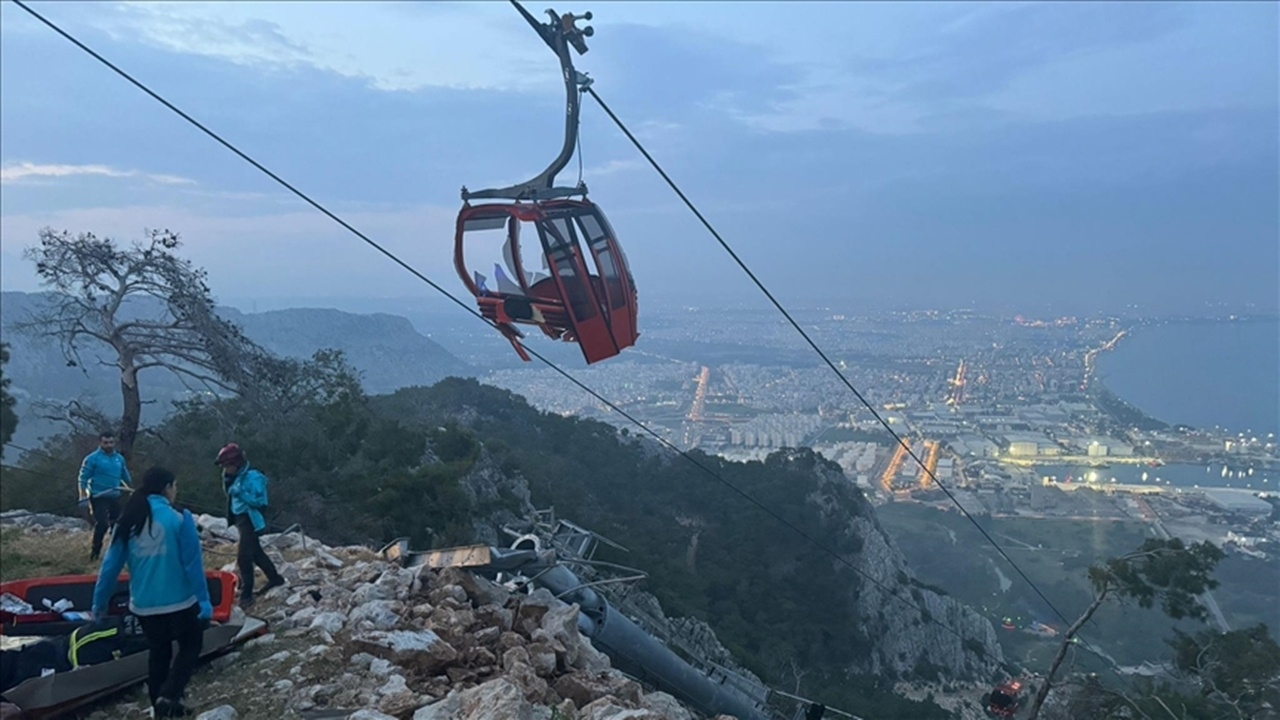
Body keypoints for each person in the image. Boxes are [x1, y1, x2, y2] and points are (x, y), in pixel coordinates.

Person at [91, 466, 211, 719]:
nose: (176, 492)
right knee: (191, 645)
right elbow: (192, 564)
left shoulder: (127, 521)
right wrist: (204, 601)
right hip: (180, 601)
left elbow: (109, 567)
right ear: (167, 488)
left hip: (144, 605)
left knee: (159, 652)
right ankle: (171, 694)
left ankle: (161, 709)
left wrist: (99, 603)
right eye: (174, 486)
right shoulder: (179, 518)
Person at [215, 443, 284, 609]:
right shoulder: (230, 477)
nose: (225, 468)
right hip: (239, 518)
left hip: (250, 519)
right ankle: (274, 578)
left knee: (244, 557)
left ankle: (246, 595)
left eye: (228, 465)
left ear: (237, 463)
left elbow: (260, 501)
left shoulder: (253, 477)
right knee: (256, 552)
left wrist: (242, 494)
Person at [78, 430, 133, 561]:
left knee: (118, 525)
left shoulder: (119, 458)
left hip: (115, 495)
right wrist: (82, 495)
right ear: (100, 443)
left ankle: (118, 553)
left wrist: (131, 489)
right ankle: (95, 552)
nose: (109, 445)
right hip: (98, 496)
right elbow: (83, 478)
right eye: (105, 443)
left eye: (111, 442)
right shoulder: (92, 458)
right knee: (102, 524)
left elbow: (125, 476)